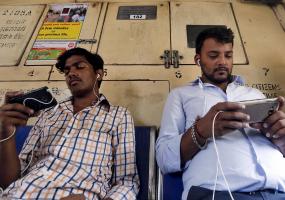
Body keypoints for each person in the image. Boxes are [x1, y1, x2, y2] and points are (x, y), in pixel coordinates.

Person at [156, 27, 285, 200]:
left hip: (279, 189)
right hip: (219, 193)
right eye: (213, 56)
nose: (222, 62)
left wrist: (279, 135)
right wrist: (201, 131)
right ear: (198, 59)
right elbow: (164, 159)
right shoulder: (181, 95)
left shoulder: (255, 94)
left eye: (228, 55)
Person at [0, 48, 139, 199]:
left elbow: (127, 182)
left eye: (79, 66)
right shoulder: (48, 114)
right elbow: (10, 182)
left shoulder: (117, 115)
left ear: (99, 74)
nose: (71, 73)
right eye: (67, 71)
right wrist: (6, 133)